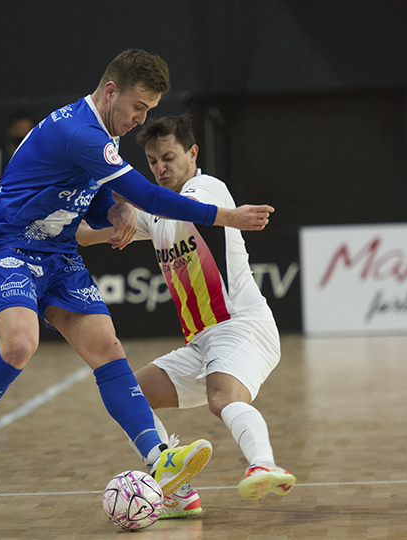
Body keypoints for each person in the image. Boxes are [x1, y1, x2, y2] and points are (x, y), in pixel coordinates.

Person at [0, 48, 274, 509]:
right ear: (111, 91)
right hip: (8, 245)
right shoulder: (82, 133)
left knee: (108, 350)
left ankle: (160, 460)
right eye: (139, 107)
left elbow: (98, 198)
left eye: (149, 111)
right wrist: (225, 215)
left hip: (57, 250)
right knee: (19, 345)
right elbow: (151, 197)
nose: (140, 119)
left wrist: (113, 207)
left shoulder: (97, 136)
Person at [77, 114, 294, 518]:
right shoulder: (156, 209)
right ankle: (178, 492)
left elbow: (183, 208)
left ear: (192, 153)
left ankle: (264, 463)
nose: (160, 168)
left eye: (169, 157)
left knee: (222, 397)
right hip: (201, 342)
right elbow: (87, 233)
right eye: (153, 161)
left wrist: (123, 201)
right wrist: (29, 208)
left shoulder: (205, 187)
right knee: (131, 396)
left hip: (242, 326)